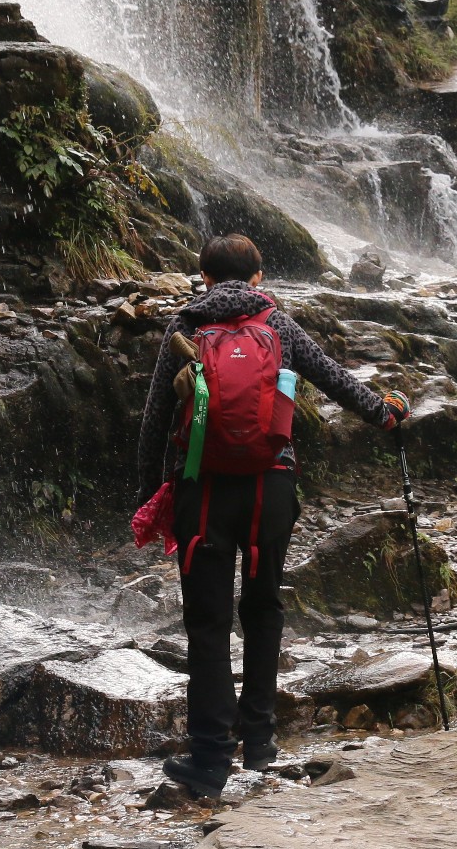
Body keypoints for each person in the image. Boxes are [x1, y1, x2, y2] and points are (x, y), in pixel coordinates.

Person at [135, 233, 407, 798]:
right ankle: (259, 743)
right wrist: (387, 414)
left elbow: (156, 416)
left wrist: (153, 494)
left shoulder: (184, 330)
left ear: (204, 276)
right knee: (262, 607)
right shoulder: (277, 324)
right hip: (270, 489)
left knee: (206, 623)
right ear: (258, 277)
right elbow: (334, 378)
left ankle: (210, 758)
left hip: (202, 490)